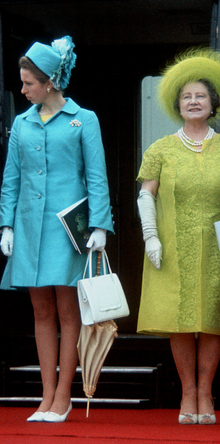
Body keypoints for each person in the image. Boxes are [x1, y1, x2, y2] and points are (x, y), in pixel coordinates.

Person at [0, 36, 113, 423]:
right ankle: (45, 396)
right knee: (40, 311)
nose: (23, 88)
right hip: (30, 228)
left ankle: (64, 395)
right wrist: (6, 224)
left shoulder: (85, 118)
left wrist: (100, 224)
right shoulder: (21, 122)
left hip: (69, 230)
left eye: (28, 82)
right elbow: (11, 178)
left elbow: (97, 177)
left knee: (68, 311)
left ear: (49, 81)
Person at [136, 48, 220, 425]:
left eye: (200, 95)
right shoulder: (161, 148)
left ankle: (207, 391)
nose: (193, 101)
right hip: (173, 245)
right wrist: (151, 237)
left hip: (217, 247)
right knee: (181, 320)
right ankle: (188, 392)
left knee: (214, 319)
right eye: (186, 96)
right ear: (177, 104)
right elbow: (145, 195)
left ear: (212, 102)